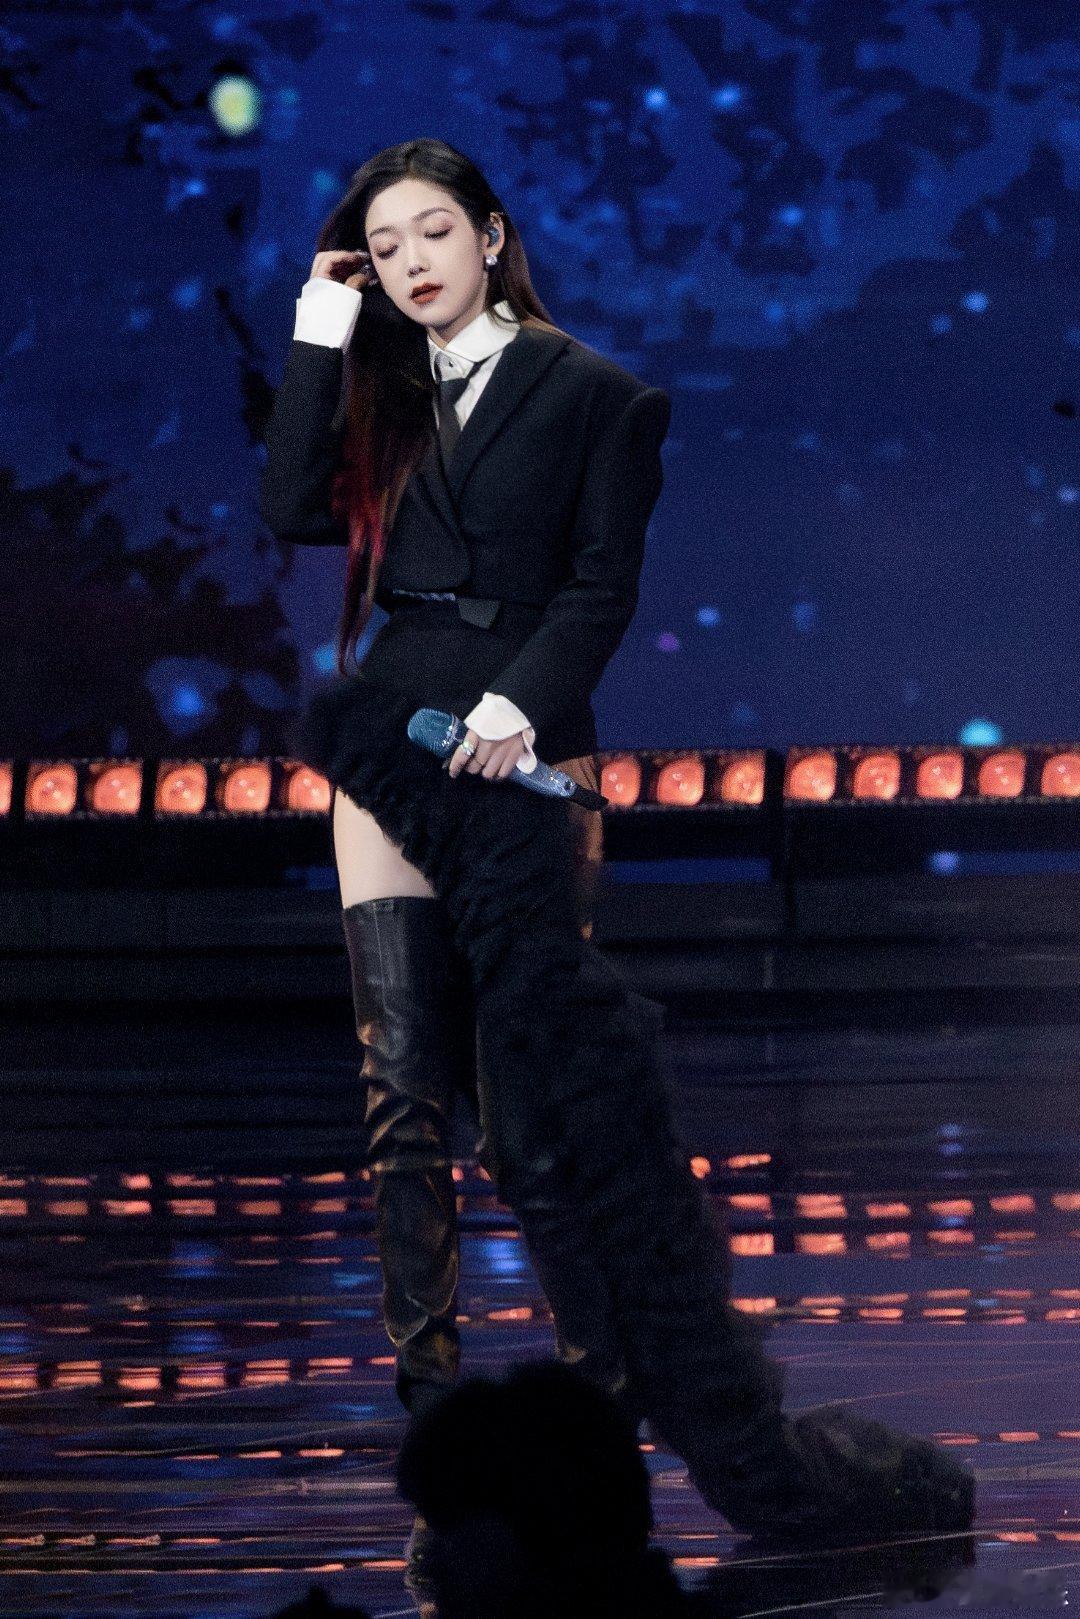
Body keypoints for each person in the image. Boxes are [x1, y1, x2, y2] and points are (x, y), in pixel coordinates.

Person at [260, 138, 974, 1613]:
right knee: (402, 1096)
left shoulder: (599, 395)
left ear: (492, 236)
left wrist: (518, 707)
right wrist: (321, 329)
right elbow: (287, 509)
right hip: (397, 736)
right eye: (383, 247)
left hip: (524, 750)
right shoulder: (383, 396)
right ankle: (436, 1440)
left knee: (536, 1123)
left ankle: (594, 1431)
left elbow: (600, 585)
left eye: (432, 231)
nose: (409, 262)